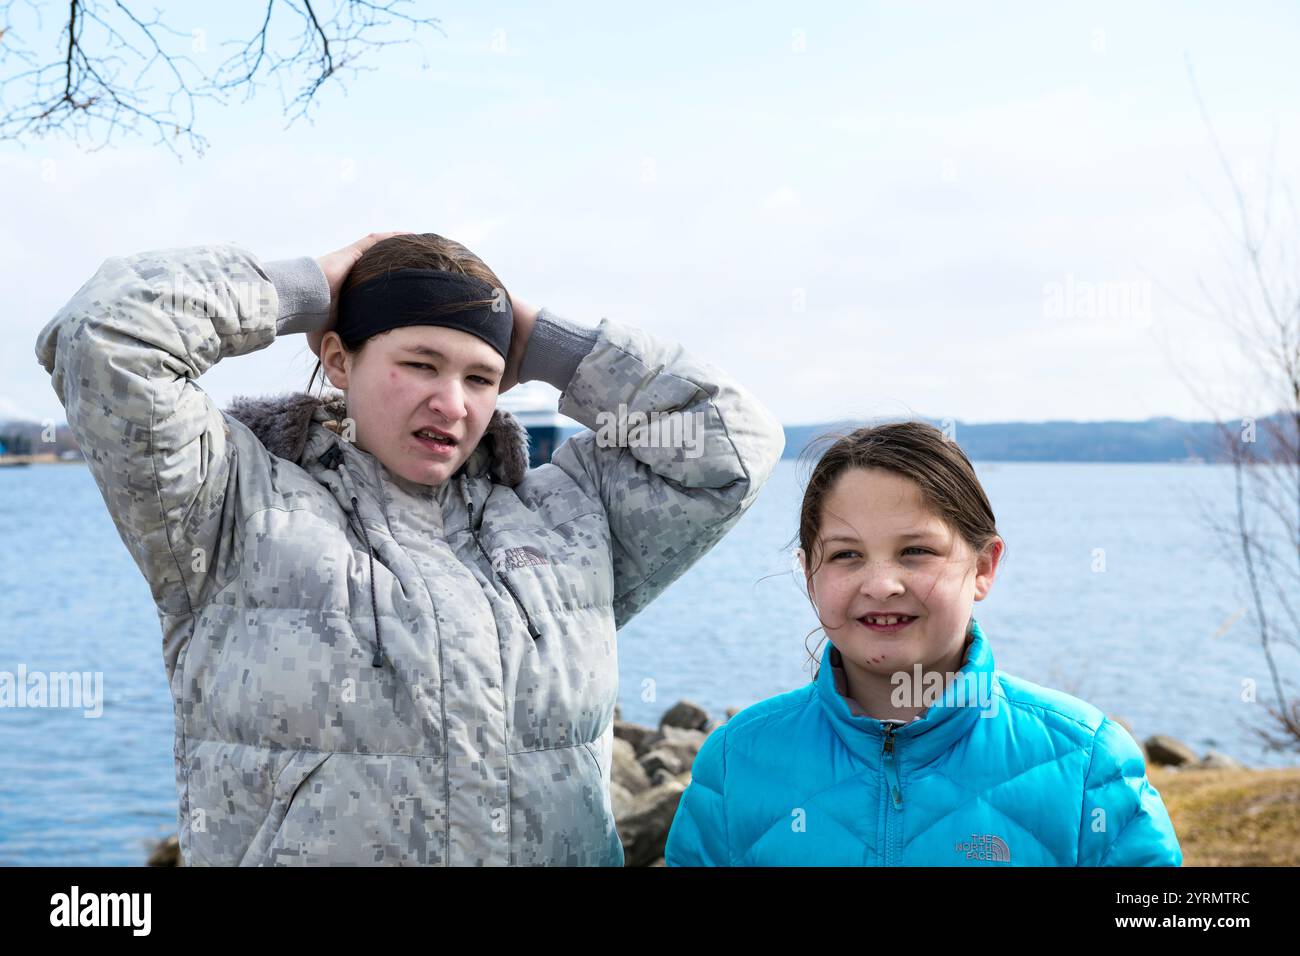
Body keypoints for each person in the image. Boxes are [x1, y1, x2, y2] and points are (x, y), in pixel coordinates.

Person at [35, 232, 785, 866]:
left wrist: (550, 343)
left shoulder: (569, 520)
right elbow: (104, 336)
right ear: (337, 357)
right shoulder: (227, 505)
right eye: (420, 363)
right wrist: (306, 287)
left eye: (482, 376)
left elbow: (736, 447)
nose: (451, 403)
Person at [664, 421, 1182, 866]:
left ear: (983, 567)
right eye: (847, 555)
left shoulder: (1087, 761)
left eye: (915, 551)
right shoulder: (736, 761)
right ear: (809, 573)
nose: (881, 584)